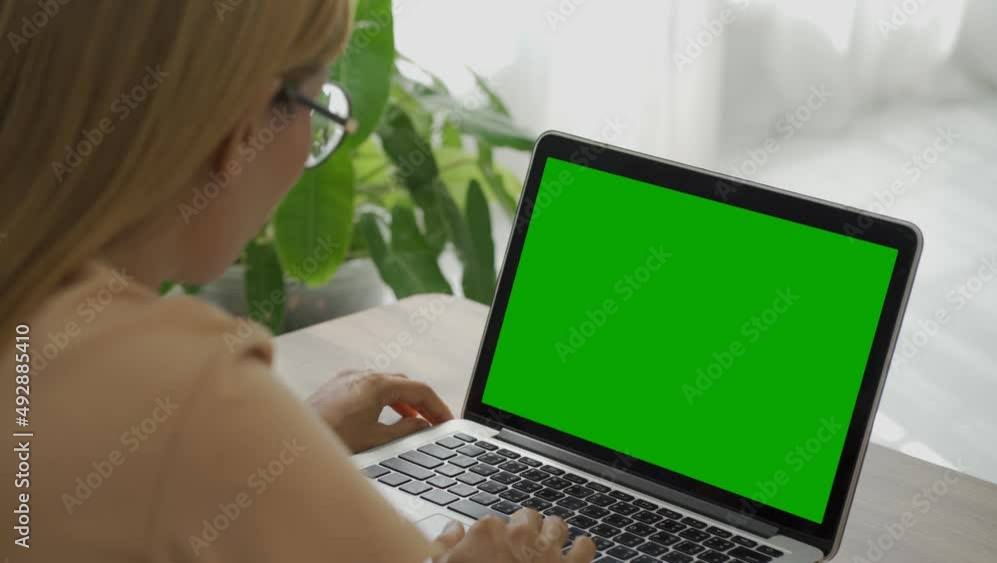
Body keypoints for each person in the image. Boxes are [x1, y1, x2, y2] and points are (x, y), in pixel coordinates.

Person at [0, 1, 597, 562]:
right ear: (244, 133)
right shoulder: (189, 390)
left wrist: (266, 454)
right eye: (319, 110)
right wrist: (234, 432)